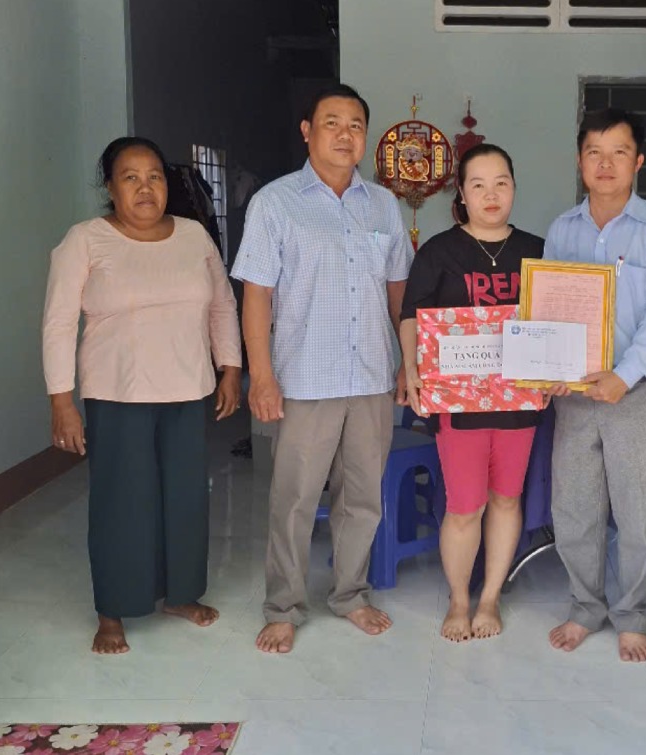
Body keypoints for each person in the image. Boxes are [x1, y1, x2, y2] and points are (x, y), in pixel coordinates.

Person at [42, 136, 242, 654]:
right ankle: (113, 609)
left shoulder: (194, 235)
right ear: (109, 186)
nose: (145, 187)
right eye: (130, 177)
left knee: (184, 498)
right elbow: (59, 323)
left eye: (154, 175)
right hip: (117, 395)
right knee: (121, 504)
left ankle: (180, 594)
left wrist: (230, 368)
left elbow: (222, 305)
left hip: (187, 388)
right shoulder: (85, 240)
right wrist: (61, 401)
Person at [232, 84, 413, 654]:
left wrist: (408, 365)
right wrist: (260, 375)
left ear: (365, 137)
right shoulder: (276, 202)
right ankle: (283, 605)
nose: (344, 134)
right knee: (295, 497)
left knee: (363, 496)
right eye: (331, 122)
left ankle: (350, 594)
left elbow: (398, 295)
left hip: (372, 378)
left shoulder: (383, 205)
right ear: (307, 131)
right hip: (306, 378)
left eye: (355, 124)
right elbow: (256, 295)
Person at [544, 108, 646, 662]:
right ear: (580, 161)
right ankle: (585, 608)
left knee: (635, 510)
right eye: (594, 153)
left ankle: (630, 615)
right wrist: (551, 369)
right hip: (576, 395)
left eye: (619, 153)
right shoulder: (563, 229)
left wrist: (623, 377)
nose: (606, 165)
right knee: (575, 509)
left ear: (638, 162)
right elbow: (551, 308)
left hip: (634, 393)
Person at [400, 144, 543, 642]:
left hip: (520, 401)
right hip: (458, 405)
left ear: (514, 188)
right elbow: (413, 316)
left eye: (501, 182)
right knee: (465, 506)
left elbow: (559, 318)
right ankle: (459, 600)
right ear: (461, 192)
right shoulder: (439, 251)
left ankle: (490, 598)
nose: (490, 194)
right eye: (478, 184)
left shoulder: (536, 251)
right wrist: (411, 369)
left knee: (506, 499)